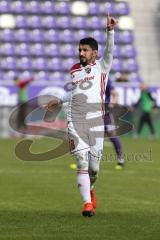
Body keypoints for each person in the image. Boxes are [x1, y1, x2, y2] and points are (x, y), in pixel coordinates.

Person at [46, 14, 117, 217]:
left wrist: (110, 32)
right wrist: (60, 100)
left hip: (95, 121)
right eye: (79, 49)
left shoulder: (103, 66)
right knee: (81, 161)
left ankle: (91, 189)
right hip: (75, 120)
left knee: (94, 168)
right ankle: (87, 204)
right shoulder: (74, 69)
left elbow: (110, 50)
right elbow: (77, 92)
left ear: (94, 53)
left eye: (85, 50)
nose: (81, 53)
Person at [105, 79, 125, 169]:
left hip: (105, 114)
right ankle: (83, 162)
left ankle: (120, 158)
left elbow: (115, 93)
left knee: (112, 135)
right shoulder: (91, 78)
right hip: (93, 112)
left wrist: (112, 104)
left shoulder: (106, 79)